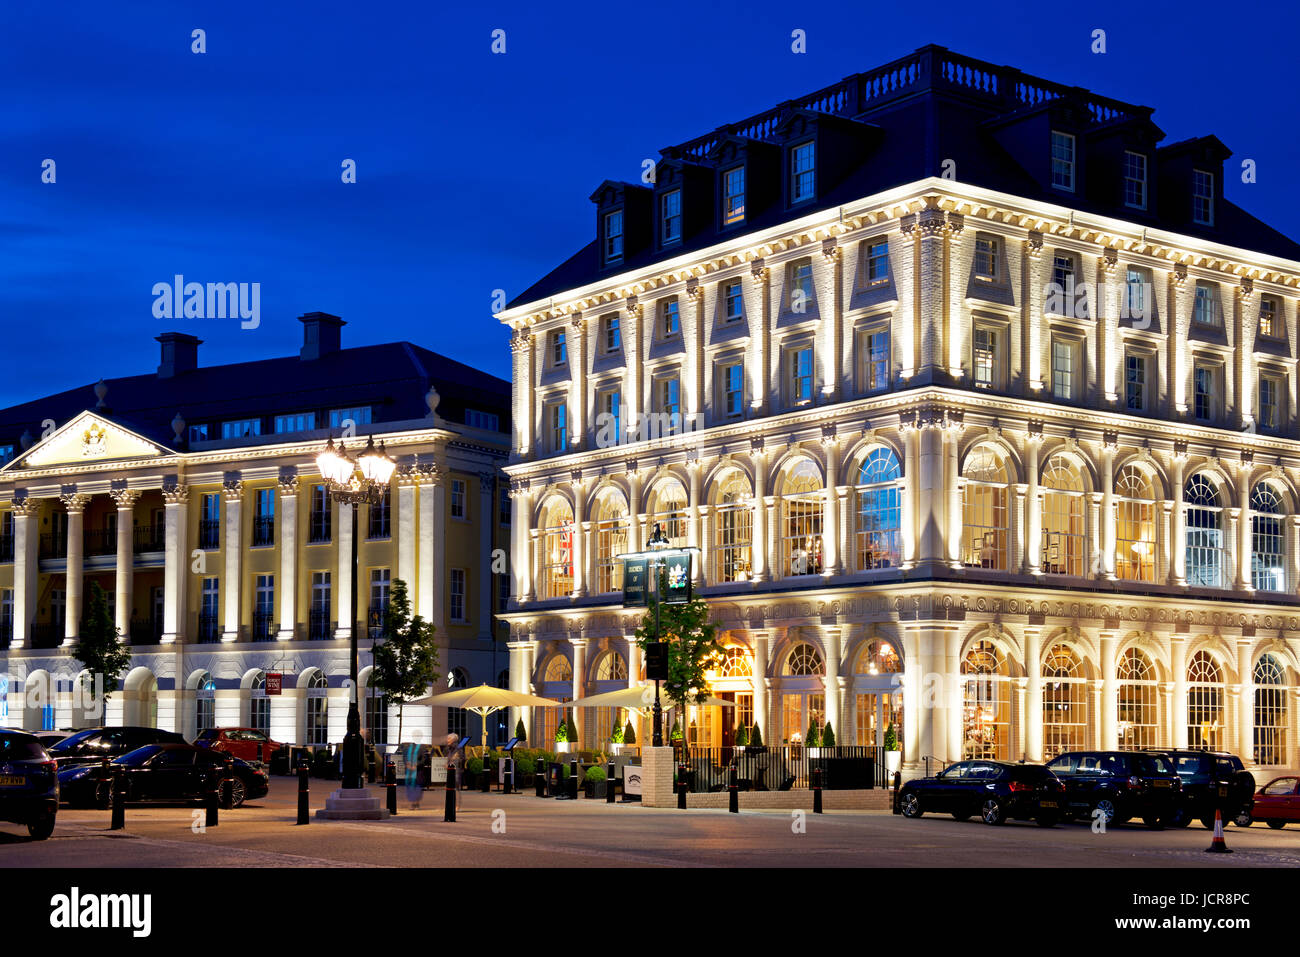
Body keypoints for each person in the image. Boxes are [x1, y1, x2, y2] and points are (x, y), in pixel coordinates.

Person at [404, 731, 424, 809]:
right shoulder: (409, 747)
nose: (416, 737)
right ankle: (412, 802)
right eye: (415, 736)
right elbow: (405, 756)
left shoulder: (422, 747)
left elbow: (424, 758)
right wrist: (407, 763)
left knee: (417, 787)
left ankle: (416, 802)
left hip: (418, 771)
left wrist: (417, 765)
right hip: (409, 770)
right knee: (410, 787)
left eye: (417, 736)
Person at [445, 733, 464, 811]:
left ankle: (457, 806)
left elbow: (462, 758)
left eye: (448, 739)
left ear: (453, 740)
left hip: (456, 770)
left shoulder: (458, 748)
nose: (447, 740)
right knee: (451, 787)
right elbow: (449, 758)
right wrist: (447, 764)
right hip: (451, 770)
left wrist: (454, 762)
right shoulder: (450, 748)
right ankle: (452, 805)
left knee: (456, 788)